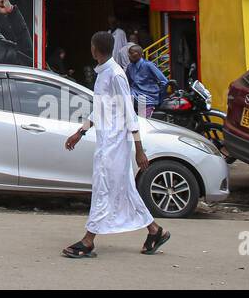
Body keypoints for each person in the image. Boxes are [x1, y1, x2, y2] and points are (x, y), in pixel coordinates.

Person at [61, 30, 170, 259]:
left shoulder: (116, 75)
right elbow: (100, 109)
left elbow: (130, 113)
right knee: (124, 189)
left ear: (94, 49)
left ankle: (88, 241)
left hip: (115, 145)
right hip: (107, 141)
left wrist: (139, 149)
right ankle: (155, 231)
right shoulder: (104, 73)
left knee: (103, 187)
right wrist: (80, 132)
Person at [126, 45, 169, 118]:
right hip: (135, 98)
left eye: (131, 53)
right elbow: (127, 82)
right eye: (129, 53)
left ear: (139, 54)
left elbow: (164, 81)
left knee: (142, 123)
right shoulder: (130, 66)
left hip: (146, 99)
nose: (129, 56)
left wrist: (160, 97)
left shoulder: (148, 65)